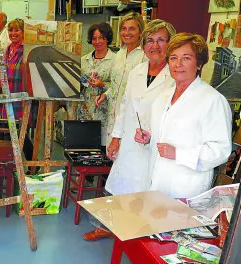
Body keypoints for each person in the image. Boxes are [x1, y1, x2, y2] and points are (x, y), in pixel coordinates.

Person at [83, 19, 177, 241]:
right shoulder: (137, 71)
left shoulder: (174, 75)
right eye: (150, 41)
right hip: (128, 140)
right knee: (119, 185)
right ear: (144, 45)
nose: (155, 46)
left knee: (145, 191)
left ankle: (137, 236)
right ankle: (106, 228)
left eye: (161, 40)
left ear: (170, 44)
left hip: (155, 145)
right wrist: (115, 137)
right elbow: (125, 106)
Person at [135, 33, 232, 198]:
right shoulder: (163, 97)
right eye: (173, 58)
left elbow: (221, 150)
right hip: (155, 180)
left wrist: (179, 154)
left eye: (186, 58)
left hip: (186, 187)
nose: (178, 64)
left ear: (199, 63)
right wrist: (148, 138)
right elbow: (165, 135)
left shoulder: (213, 100)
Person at [95, 12, 147, 149]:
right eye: (124, 29)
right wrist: (105, 94)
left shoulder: (144, 56)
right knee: (112, 154)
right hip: (113, 114)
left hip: (132, 116)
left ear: (140, 32)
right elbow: (115, 84)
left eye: (132, 29)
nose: (127, 33)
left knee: (127, 154)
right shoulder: (119, 54)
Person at [0, 18, 34, 162]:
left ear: (23, 32)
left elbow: (26, 73)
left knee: (19, 132)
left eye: (17, 30)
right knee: (6, 130)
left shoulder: (26, 49)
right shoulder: (9, 48)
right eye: (11, 30)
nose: (13, 33)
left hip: (18, 96)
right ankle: (7, 163)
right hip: (5, 95)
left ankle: (33, 163)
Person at [77, 22, 116, 146]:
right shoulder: (83, 60)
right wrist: (81, 82)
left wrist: (101, 84)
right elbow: (78, 84)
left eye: (101, 38)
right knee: (84, 146)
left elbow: (119, 86)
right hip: (85, 110)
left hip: (104, 111)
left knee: (101, 147)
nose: (97, 41)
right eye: (94, 38)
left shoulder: (116, 60)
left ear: (107, 39)